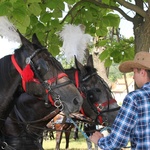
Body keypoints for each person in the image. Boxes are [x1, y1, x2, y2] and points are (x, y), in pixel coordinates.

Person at [89, 51, 150, 150]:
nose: (133, 77)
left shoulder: (135, 98)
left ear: (142, 72)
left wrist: (99, 140)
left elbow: (116, 142)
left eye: (134, 72)